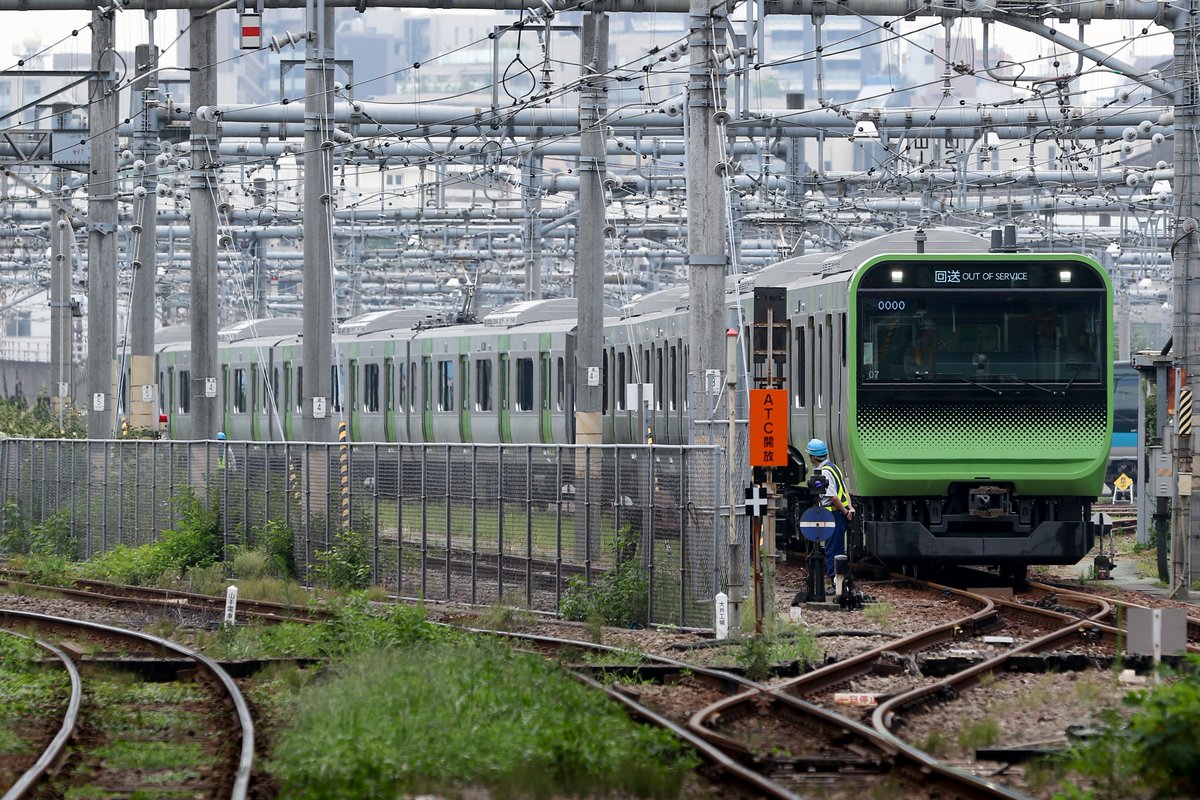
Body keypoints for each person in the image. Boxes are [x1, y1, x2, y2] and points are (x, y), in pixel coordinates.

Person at [805, 438, 854, 585]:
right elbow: (845, 491)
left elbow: (833, 497)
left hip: (834, 515)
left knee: (832, 549)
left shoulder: (825, 472)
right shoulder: (834, 467)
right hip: (840, 514)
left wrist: (845, 512)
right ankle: (841, 581)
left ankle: (835, 582)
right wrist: (850, 507)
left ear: (813, 457)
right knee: (838, 548)